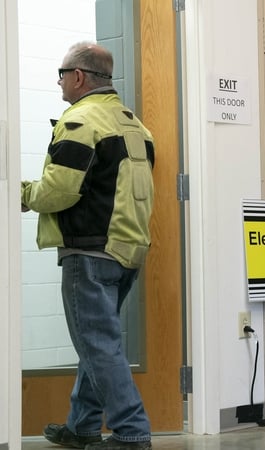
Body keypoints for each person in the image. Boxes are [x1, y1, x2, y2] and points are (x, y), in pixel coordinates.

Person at [21, 41, 155, 450]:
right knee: (95, 342)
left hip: (90, 251)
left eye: (61, 73)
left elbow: (60, 190)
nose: (60, 81)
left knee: (98, 345)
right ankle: (82, 426)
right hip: (127, 251)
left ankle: (132, 432)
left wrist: (22, 194)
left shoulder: (80, 121)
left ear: (78, 76)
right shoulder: (134, 123)